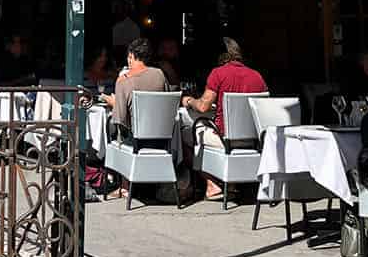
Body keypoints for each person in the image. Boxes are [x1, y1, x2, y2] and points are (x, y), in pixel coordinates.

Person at [182, 39, 267, 199]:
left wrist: (189, 100)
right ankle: (232, 184)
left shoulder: (218, 73)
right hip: (253, 140)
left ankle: (211, 184)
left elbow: (203, 107)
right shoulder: (257, 76)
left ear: (221, 56)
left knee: (188, 133)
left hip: (225, 139)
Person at [101, 38, 168, 131]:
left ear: (131, 55)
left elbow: (120, 120)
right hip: (159, 133)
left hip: (133, 137)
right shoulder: (160, 74)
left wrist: (114, 103)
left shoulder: (123, 80)